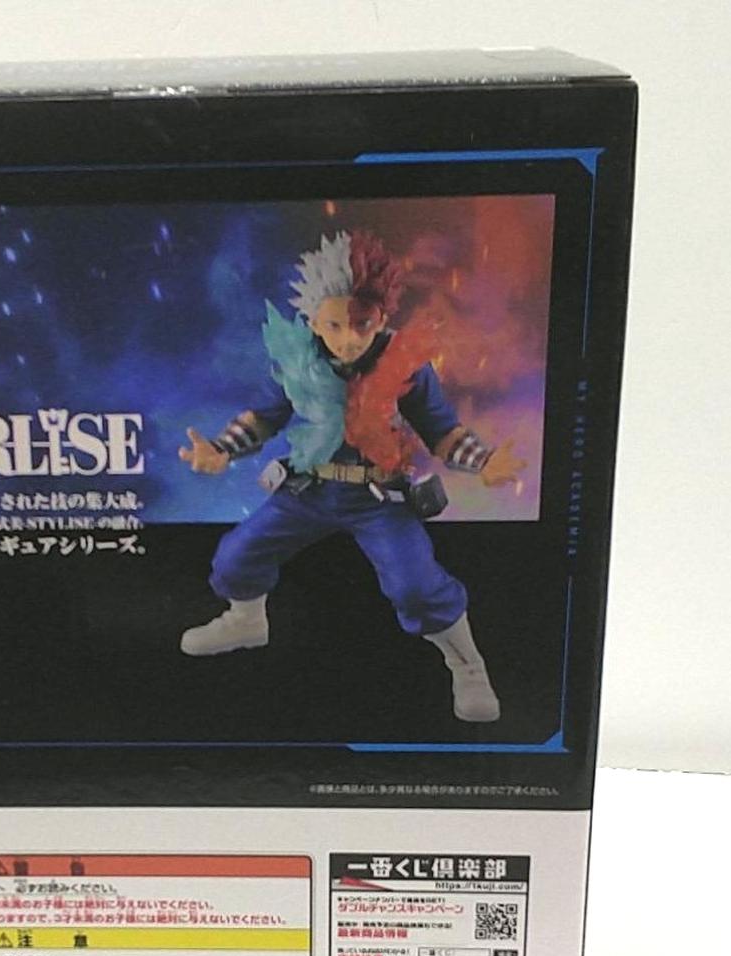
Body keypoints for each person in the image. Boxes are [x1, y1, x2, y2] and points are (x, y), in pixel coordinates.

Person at [177, 229, 525, 722]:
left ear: (381, 317)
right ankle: (246, 620)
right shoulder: (298, 359)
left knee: (417, 587)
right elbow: (265, 417)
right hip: (308, 488)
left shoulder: (406, 365)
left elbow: (441, 431)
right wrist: (220, 449)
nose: (348, 338)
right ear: (313, 321)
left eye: (362, 324)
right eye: (334, 325)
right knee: (235, 556)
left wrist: (483, 461)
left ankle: (467, 665)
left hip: (378, 496)